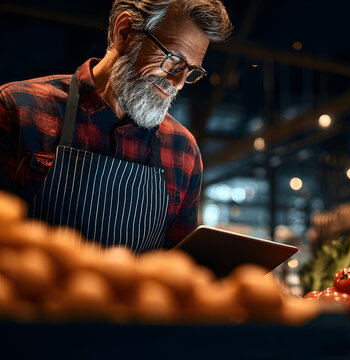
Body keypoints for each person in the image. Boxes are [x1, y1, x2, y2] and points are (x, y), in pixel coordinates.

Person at [0, 0, 232, 253]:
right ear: (124, 33)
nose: (177, 83)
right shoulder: (18, 110)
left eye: (190, 71)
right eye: (173, 59)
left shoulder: (183, 150)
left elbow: (178, 266)